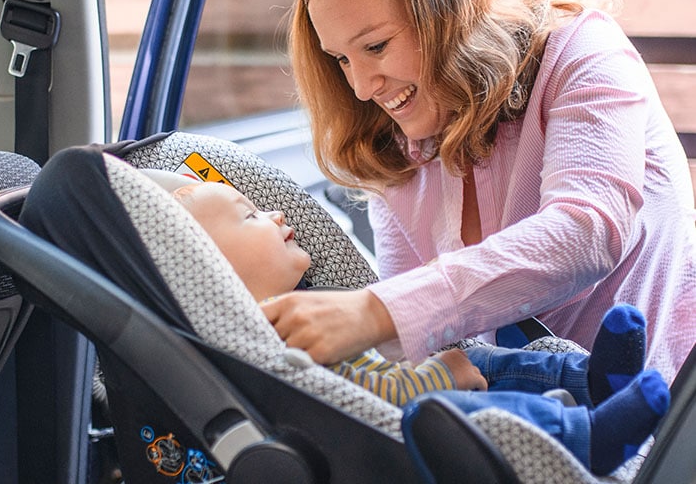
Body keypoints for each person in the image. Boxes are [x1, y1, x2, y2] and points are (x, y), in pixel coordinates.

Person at [261, 0, 696, 385]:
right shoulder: (395, 141)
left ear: (449, 11)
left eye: (376, 46)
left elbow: (587, 231)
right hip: (523, 422)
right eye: (341, 59)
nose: (360, 88)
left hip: (664, 426)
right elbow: (425, 340)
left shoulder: (583, 53)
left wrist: (375, 312)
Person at [168, 178, 669, 476]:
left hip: (415, 381)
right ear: (213, 265)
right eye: (251, 216)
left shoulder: (299, 308)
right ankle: (587, 437)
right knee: (464, 401)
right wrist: (440, 374)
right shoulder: (268, 336)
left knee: (486, 360)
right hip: (406, 422)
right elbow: (367, 398)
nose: (275, 213)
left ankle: (586, 380)